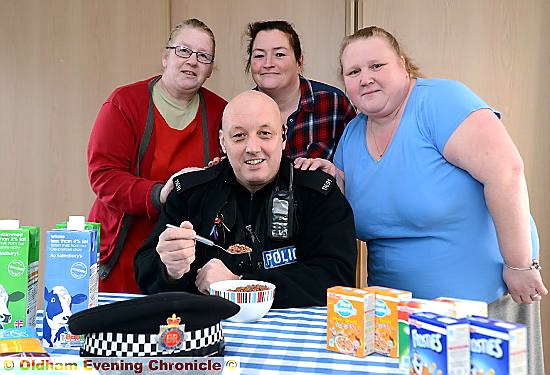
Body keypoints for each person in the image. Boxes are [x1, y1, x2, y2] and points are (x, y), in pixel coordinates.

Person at [297, 26, 548, 373]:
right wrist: (332, 178)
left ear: (403, 65)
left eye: (376, 66)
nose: (365, 78)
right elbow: (359, 208)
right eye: (353, 72)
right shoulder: (353, 133)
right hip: (398, 317)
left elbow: (506, 173)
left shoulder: (440, 102)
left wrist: (519, 264)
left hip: (482, 306)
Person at [134, 90, 357, 308]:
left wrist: (240, 286)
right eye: (239, 136)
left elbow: (336, 277)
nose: (253, 148)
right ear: (223, 142)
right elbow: (146, 270)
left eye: (265, 134)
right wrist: (170, 271)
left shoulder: (317, 194)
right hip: (209, 333)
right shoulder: (190, 194)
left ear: (283, 136)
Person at [87, 19, 227, 294]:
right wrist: (160, 193)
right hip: (123, 247)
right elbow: (103, 176)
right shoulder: (124, 103)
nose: (192, 61)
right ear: (165, 56)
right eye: (183, 51)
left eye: (203, 56)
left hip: (183, 255)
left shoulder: (221, 111)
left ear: (210, 69)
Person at [244, 20, 356, 160]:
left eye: (279, 54)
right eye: (259, 56)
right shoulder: (240, 112)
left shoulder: (334, 103)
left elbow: (356, 166)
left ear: (299, 61)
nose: (268, 64)